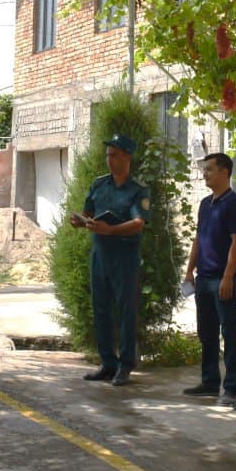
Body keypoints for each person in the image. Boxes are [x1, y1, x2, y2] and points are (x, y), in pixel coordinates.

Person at [70, 133, 150, 387]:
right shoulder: (98, 185)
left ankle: (125, 365)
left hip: (124, 256)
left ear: (127, 157)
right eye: (107, 155)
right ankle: (108, 362)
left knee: (126, 311)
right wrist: (80, 221)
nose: (109, 160)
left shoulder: (138, 190)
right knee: (101, 309)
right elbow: (88, 212)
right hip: (100, 255)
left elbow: (139, 223)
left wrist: (112, 230)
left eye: (115, 155)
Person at [182, 153, 236, 406]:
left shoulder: (234, 204)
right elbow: (198, 239)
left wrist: (229, 276)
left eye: (209, 169)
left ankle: (232, 388)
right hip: (203, 278)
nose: (205, 173)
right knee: (206, 332)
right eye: (204, 169)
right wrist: (190, 270)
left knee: (230, 333)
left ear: (224, 172)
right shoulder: (204, 204)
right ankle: (209, 382)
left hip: (223, 278)